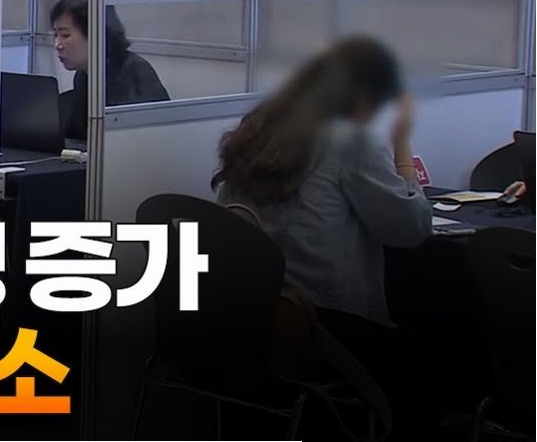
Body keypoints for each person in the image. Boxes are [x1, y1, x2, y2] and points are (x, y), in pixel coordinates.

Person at [211, 36, 522, 440]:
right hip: (327, 324)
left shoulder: (255, 131)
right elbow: (412, 228)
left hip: (260, 315)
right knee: (433, 344)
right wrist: (402, 146)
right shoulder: (349, 143)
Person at [0, 0, 169, 139]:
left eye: (65, 35)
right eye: (55, 35)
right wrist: (6, 116)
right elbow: (70, 128)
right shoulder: (84, 75)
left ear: (97, 34)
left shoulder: (132, 72)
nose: (57, 45)